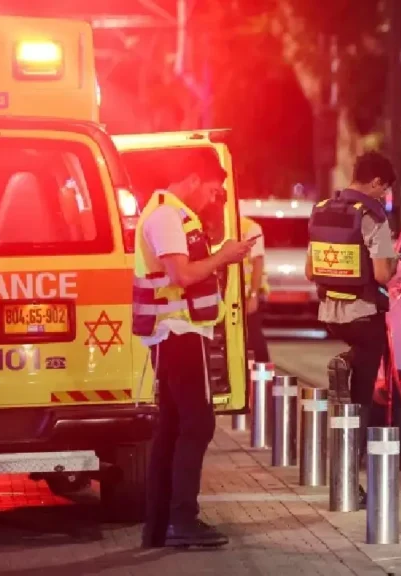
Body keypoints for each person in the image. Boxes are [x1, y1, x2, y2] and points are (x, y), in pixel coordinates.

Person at [135, 152, 256, 548]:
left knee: (172, 428)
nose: (212, 198)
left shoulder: (168, 214)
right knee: (197, 425)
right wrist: (224, 256)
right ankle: (182, 520)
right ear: (192, 180)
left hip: (174, 335)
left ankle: (160, 524)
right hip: (180, 334)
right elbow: (182, 274)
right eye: (211, 189)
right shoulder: (168, 217)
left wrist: (221, 249)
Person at [305, 151, 398, 503]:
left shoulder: (322, 209)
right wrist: (393, 261)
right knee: (360, 404)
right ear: (375, 182)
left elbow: (310, 271)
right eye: (384, 188)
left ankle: (345, 362)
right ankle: (349, 482)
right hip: (363, 316)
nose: (384, 196)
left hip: (330, 315)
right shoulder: (374, 218)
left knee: (355, 381)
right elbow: (382, 274)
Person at [240, 215, 270, 362]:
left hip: (248, 295)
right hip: (232, 296)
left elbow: (258, 262)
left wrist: (253, 295)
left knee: (254, 338)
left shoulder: (249, 227)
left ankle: (264, 381)